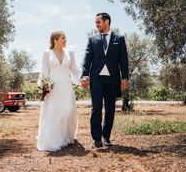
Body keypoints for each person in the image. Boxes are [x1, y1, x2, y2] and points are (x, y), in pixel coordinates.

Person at [80, 12, 129, 148]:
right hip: (96, 79)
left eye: (98, 22)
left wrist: (125, 77)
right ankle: (96, 138)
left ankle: (106, 136)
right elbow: (87, 59)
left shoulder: (119, 39)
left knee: (110, 109)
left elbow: (123, 60)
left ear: (106, 22)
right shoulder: (92, 39)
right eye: (96, 23)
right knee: (96, 108)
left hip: (113, 80)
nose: (96, 25)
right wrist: (85, 75)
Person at [37, 31, 80, 151]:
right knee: (53, 113)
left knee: (68, 110)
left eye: (65, 38)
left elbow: (75, 70)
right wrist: (43, 87)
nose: (65, 40)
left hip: (66, 87)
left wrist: (82, 80)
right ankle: (54, 139)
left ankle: (66, 137)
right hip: (53, 88)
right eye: (63, 38)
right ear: (55, 40)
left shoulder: (70, 52)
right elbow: (44, 71)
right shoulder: (47, 53)